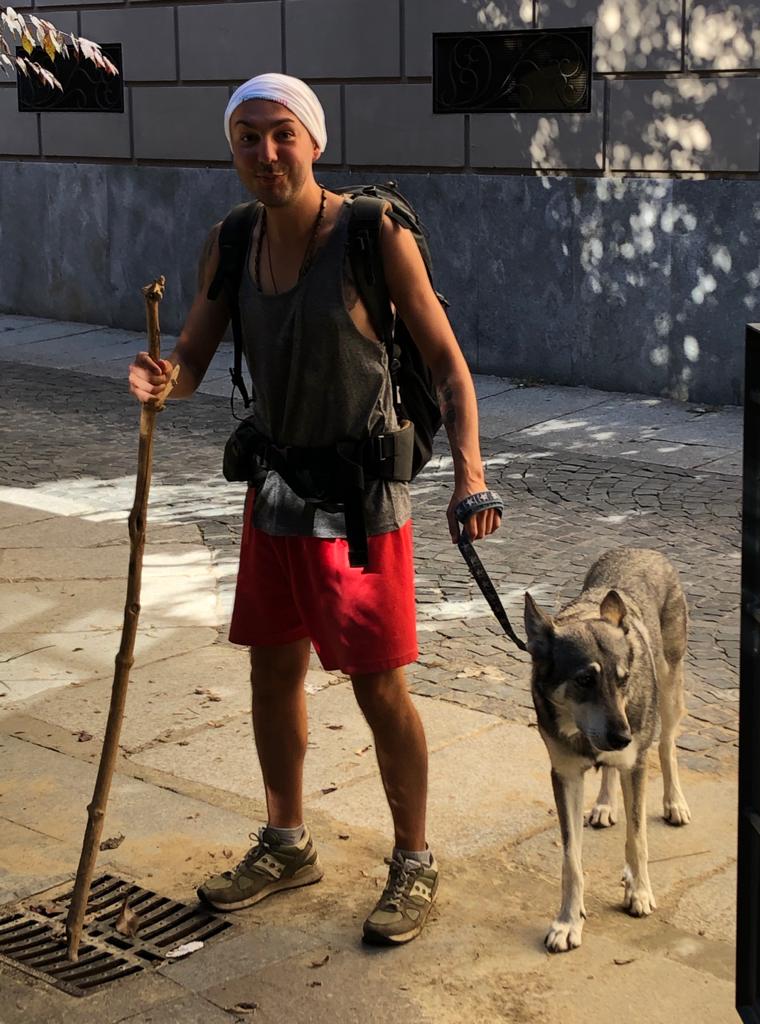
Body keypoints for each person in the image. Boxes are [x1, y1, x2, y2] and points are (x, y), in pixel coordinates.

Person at [128, 73, 500, 946]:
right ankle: (286, 842)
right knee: (271, 674)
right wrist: (163, 380)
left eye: (281, 134)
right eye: (247, 137)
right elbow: (193, 355)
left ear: (314, 141)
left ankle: (414, 859)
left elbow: (447, 365)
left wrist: (470, 473)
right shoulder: (230, 242)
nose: (266, 153)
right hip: (275, 495)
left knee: (379, 686)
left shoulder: (373, 234)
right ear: (232, 150)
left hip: (363, 508)